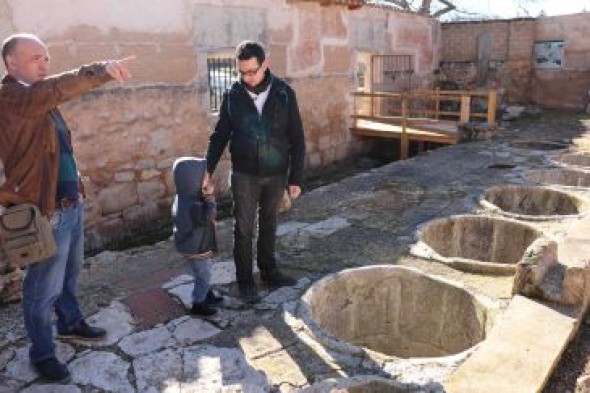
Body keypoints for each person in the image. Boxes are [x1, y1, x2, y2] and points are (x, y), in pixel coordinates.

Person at [0, 33, 134, 383]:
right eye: (35, 59)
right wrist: (100, 70)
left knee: (69, 276)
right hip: (47, 212)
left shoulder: (39, 99)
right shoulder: (14, 97)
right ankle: (42, 354)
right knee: (41, 288)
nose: (44, 64)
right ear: (11, 63)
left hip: (70, 203)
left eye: (46, 58)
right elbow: (56, 88)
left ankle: (71, 324)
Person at [204, 40, 306, 302]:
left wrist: (295, 177)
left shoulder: (284, 93)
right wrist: (208, 168)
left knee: (270, 224)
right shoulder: (233, 95)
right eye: (242, 72)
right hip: (244, 174)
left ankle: (269, 272)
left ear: (265, 65)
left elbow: (297, 137)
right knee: (244, 229)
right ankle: (245, 282)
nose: (247, 78)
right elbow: (220, 136)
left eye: (252, 71)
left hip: (276, 174)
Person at [171, 157, 223, 316]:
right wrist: (210, 197)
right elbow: (210, 216)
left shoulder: (184, 197)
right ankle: (198, 303)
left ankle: (206, 293)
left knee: (201, 272)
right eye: (204, 177)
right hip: (197, 247)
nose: (208, 179)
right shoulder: (195, 205)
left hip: (192, 244)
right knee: (204, 274)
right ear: (192, 180)